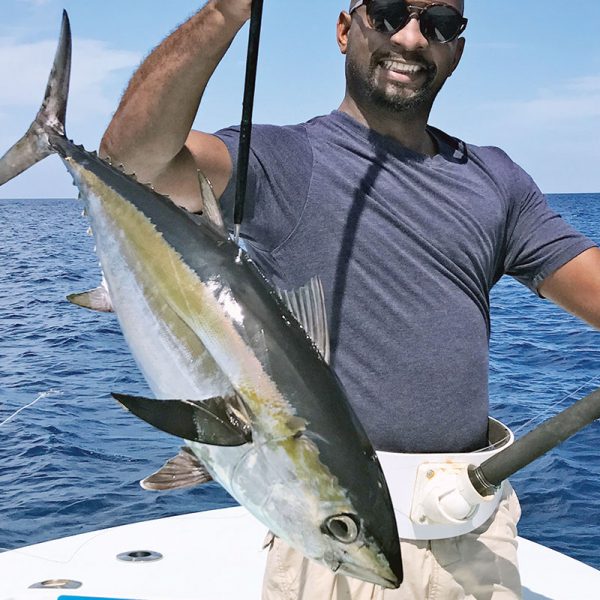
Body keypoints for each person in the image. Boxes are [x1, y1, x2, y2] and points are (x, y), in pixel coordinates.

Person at [101, 1, 600, 598]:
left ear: (457, 50)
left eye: (440, 23)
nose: (413, 38)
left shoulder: (496, 179)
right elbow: (129, 166)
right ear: (345, 29)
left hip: (475, 539)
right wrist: (225, 12)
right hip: (330, 533)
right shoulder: (285, 160)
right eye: (389, 12)